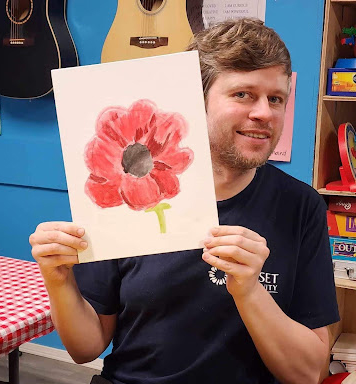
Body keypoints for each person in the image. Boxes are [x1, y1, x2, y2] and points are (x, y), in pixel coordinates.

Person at [29, 18, 340, 384]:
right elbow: (85, 348)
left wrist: (249, 291)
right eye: (243, 94)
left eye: (276, 99)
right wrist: (57, 279)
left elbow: (308, 373)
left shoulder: (301, 206)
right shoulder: (125, 194)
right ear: (195, 99)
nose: (265, 113)